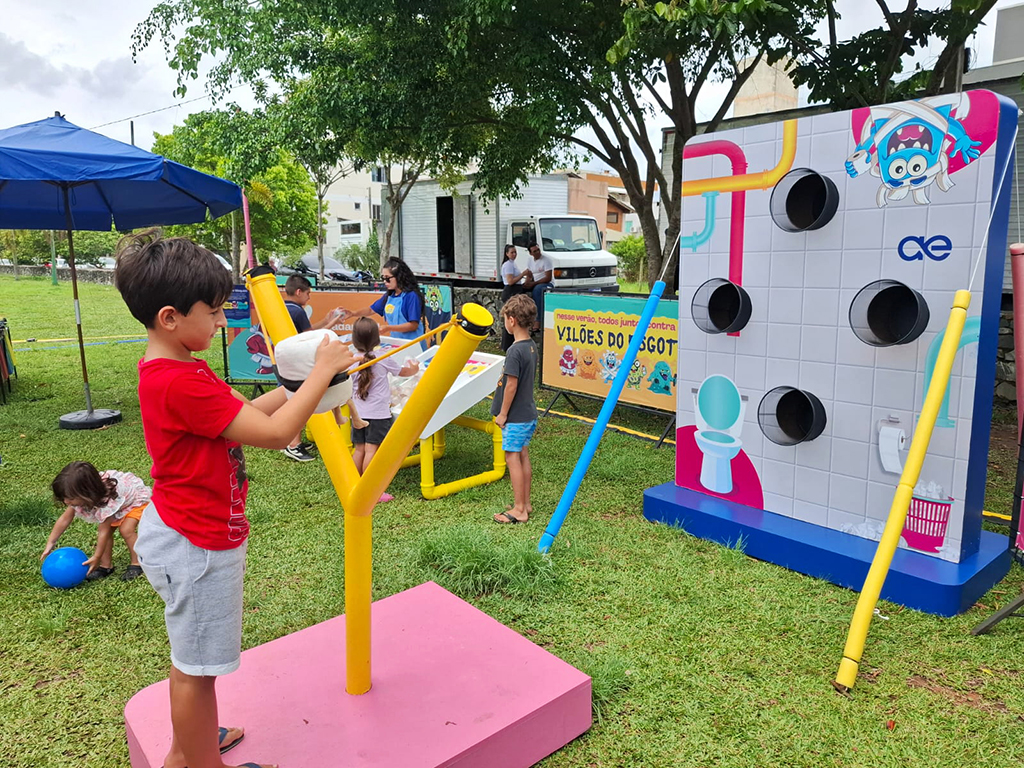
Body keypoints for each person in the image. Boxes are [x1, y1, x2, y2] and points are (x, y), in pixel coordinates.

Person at [114, 229, 356, 768]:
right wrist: (319, 373)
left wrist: (303, 385)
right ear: (171, 317)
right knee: (195, 670)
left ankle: (192, 746)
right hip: (196, 546)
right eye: (216, 311)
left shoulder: (178, 368)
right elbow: (273, 435)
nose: (223, 321)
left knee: (193, 666)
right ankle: (199, 762)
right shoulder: (181, 382)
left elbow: (249, 415)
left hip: (184, 532)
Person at [280, 275, 366, 462]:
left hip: (288, 361)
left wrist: (326, 320)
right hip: (300, 363)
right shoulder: (297, 312)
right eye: (308, 294)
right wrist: (332, 325)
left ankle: (294, 441)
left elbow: (308, 332)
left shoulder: (287, 308)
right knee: (301, 400)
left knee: (295, 397)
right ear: (299, 292)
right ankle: (293, 444)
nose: (309, 298)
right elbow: (313, 339)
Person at [349, 318, 420, 502]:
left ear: (354, 339)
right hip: (378, 414)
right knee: (372, 450)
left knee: (359, 449)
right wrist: (414, 368)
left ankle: (353, 485)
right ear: (376, 338)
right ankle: (371, 491)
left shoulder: (351, 360)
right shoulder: (383, 358)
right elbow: (403, 372)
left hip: (357, 413)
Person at [43, 461, 151, 582]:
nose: (67, 502)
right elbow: (64, 519)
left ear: (86, 493)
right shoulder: (78, 494)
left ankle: (137, 563)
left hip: (133, 501)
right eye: (64, 498)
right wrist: (51, 542)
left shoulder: (105, 500)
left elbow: (102, 532)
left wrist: (96, 556)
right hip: (117, 504)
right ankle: (106, 566)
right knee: (108, 532)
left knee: (126, 530)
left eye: (70, 498)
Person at [491, 294, 539, 524]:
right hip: (528, 414)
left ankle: (519, 509)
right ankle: (525, 503)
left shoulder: (514, 351)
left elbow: (511, 386)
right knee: (522, 455)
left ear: (511, 320)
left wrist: (502, 414)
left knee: (512, 457)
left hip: (516, 417)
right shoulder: (531, 346)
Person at [341, 258, 427, 350]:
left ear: (399, 277)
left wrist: (388, 328)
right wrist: (353, 313)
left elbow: (413, 325)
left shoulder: (411, 296)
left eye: (387, 278)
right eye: (383, 278)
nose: (385, 282)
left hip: (413, 346)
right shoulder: (390, 295)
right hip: (398, 344)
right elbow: (370, 310)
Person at [500, 243, 528, 351]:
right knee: (510, 318)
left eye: (515, 252)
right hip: (511, 291)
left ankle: (509, 343)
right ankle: (506, 345)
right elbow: (510, 281)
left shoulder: (513, 264)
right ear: (507, 254)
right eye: (512, 252)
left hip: (516, 289)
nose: (514, 254)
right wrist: (523, 274)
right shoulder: (508, 265)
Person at [521, 242, 553, 332]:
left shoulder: (546, 260)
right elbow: (529, 274)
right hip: (534, 282)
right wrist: (527, 283)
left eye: (538, 250)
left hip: (546, 283)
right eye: (534, 251)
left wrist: (533, 284)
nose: (537, 252)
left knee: (537, 290)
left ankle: (537, 321)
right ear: (531, 253)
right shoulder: (530, 260)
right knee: (519, 290)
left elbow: (548, 277)